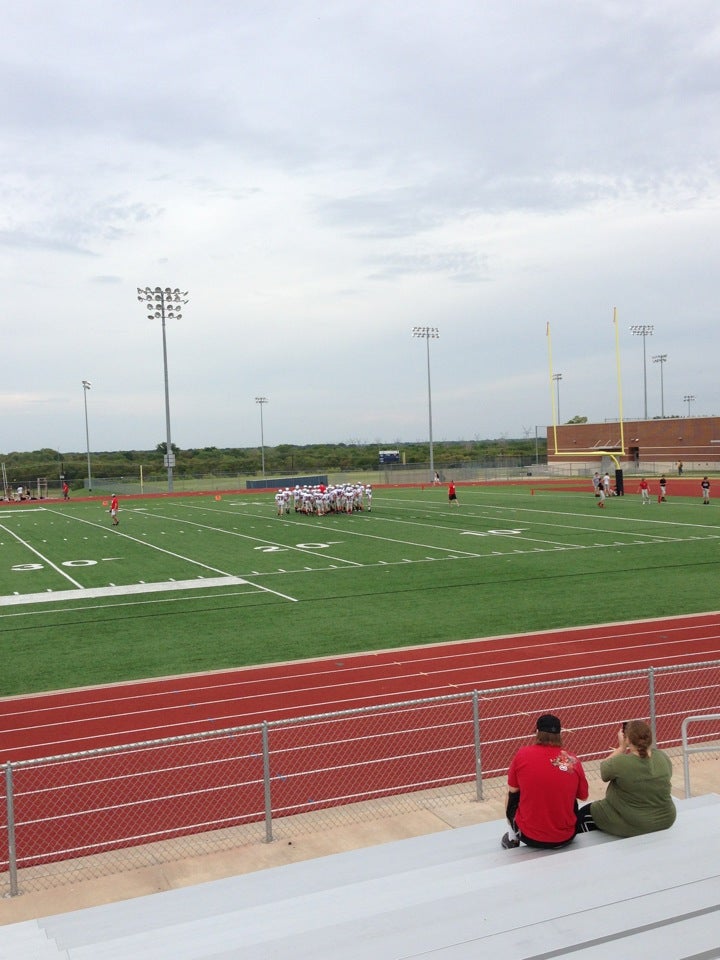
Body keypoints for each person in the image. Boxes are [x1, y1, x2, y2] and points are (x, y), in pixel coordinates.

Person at [501, 713, 589, 850]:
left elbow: (513, 789)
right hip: (566, 837)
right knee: (569, 794)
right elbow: (583, 796)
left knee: (512, 793)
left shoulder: (523, 754)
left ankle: (513, 837)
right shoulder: (572, 760)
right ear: (559, 734)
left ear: (537, 732)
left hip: (529, 836)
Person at [576, 720, 676, 837]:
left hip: (636, 823)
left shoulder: (621, 762)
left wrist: (621, 747)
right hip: (666, 819)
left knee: (583, 815)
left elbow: (604, 771)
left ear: (627, 739)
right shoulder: (662, 756)